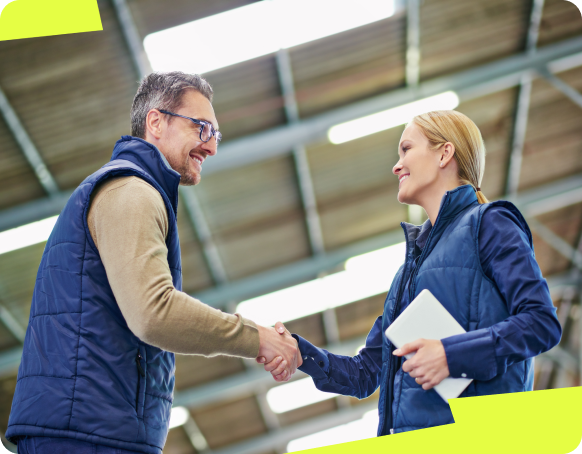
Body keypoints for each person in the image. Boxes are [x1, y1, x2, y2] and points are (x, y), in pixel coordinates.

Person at [6, 72, 299, 454]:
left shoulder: (135, 191)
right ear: (156, 122)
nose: (211, 147)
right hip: (87, 434)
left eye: (216, 136)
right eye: (202, 128)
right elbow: (153, 312)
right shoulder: (132, 191)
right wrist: (257, 337)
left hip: (94, 427)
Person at [259, 110, 562, 435]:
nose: (396, 165)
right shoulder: (408, 271)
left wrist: (450, 355)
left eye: (406, 149)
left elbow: (541, 323)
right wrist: (299, 352)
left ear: (445, 153)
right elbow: (364, 374)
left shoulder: (490, 224)